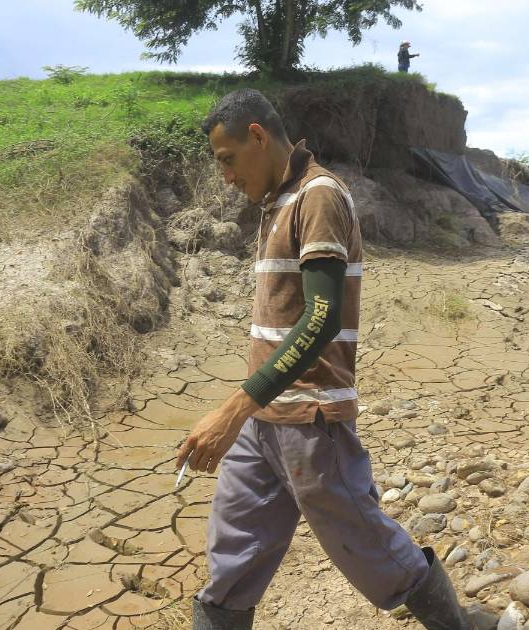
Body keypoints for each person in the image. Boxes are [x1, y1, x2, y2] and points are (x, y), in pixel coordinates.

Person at [180, 88, 472, 629]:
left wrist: (232, 411)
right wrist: (248, 411)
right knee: (233, 553)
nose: (226, 177)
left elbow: (321, 319)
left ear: (258, 136)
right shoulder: (278, 201)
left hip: (311, 418)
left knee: (366, 544)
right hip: (263, 419)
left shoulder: (318, 196)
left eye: (228, 159)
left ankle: (459, 624)